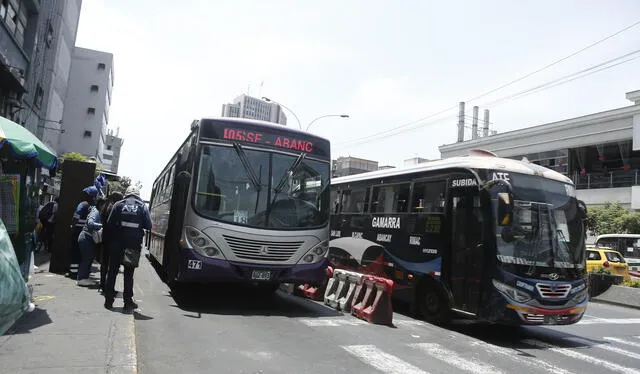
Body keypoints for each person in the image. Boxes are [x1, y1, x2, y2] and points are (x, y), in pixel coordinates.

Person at [104, 186, 152, 311]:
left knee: (112, 272)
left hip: (116, 243)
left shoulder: (118, 205)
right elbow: (149, 225)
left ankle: (108, 301)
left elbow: (109, 223)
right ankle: (127, 302)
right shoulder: (142, 207)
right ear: (137, 195)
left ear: (126, 194)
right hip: (133, 246)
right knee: (128, 274)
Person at [77, 197, 107, 286]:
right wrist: (102, 226)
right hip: (86, 238)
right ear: (101, 205)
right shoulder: (96, 212)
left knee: (88, 258)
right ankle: (81, 279)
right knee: (86, 259)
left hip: (87, 238)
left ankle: (84, 277)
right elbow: (90, 224)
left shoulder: (95, 211)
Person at [69, 187, 99, 277]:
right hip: (89, 233)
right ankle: (82, 272)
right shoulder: (94, 207)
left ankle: (73, 272)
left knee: (75, 251)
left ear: (88, 195)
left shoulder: (83, 204)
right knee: (86, 254)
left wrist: (72, 226)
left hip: (78, 231)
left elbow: (76, 217)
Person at [99, 191, 123, 293]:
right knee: (113, 264)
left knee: (104, 262)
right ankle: (109, 287)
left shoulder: (104, 207)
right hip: (113, 239)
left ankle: (102, 284)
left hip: (105, 238)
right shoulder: (114, 208)